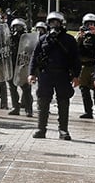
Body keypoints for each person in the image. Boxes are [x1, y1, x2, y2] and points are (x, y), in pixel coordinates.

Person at [29, 12, 80, 140]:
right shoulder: (43, 39)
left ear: (62, 24)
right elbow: (34, 57)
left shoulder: (69, 40)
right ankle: (41, 129)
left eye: (57, 22)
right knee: (43, 101)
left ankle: (63, 130)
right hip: (45, 74)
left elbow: (75, 59)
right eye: (52, 22)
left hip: (62, 74)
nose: (54, 25)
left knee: (63, 102)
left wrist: (76, 75)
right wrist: (31, 74)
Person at [76, 13, 95, 120]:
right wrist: (80, 37)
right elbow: (74, 49)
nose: (90, 26)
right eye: (87, 24)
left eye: (92, 24)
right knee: (84, 89)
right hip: (84, 66)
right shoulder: (81, 36)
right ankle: (88, 111)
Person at [7, 18, 30, 116]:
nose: (17, 29)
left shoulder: (27, 39)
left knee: (25, 87)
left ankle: (28, 109)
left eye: (19, 27)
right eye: (15, 27)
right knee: (12, 87)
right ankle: (15, 107)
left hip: (22, 65)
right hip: (11, 64)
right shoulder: (9, 38)